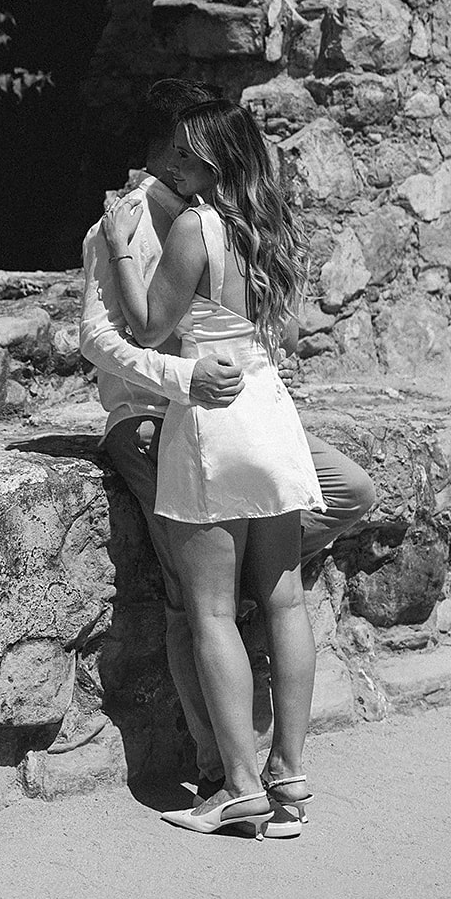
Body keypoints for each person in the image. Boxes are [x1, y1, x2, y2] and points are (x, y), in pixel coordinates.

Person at [92, 93, 371, 838]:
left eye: (187, 153)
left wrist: (121, 248)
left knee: (211, 609)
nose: (174, 163)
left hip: (213, 415)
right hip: (268, 405)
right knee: (283, 603)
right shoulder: (269, 225)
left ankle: (240, 787)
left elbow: (150, 326)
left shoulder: (196, 227)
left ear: (215, 160)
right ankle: (290, 779)